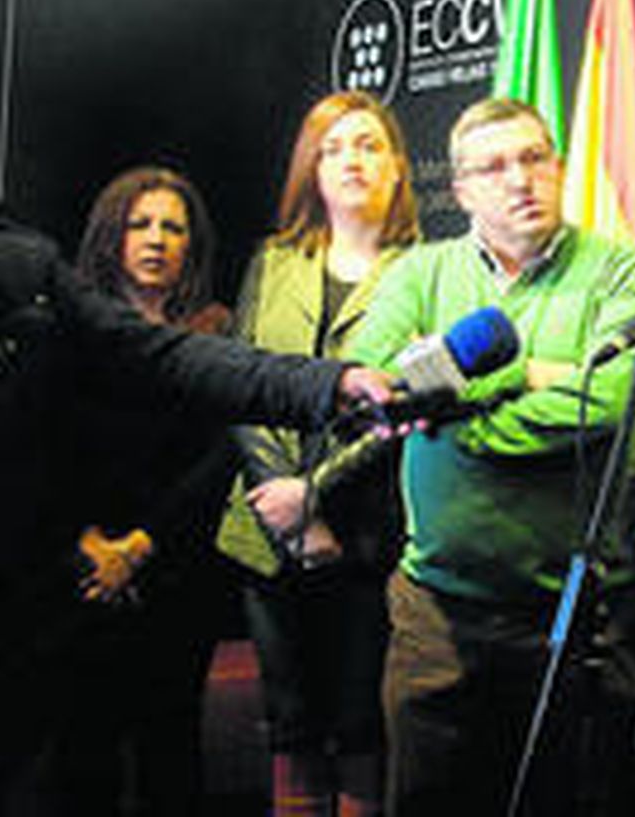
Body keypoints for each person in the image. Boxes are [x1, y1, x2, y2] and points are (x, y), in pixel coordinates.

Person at [0, 208, 393, 809]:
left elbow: (166, 355)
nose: (155, 240)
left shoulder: (23, 264)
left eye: (172, 228)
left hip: (44, 600)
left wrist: (325, 384)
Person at [347, 97, 635, 816]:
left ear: (558, 167)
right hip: (437, 610)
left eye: (533, 158)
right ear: (460, 190)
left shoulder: (626, 274)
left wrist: (457, 415)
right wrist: (525, 373)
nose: (519, 179)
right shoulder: (419, 274)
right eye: (493, 167)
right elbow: (376, 381)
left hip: (579, 615)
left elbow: (608, 400)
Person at [217, 90, 418, 817]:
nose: (350, 159)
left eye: (367, 143)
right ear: (311, 168)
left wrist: (318, 500)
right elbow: (240, 383)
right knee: (290, 725)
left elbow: (399, 411)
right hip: (265, 533)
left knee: (363, 725)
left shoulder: (424, 271)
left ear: (398, 166)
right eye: (332, 146)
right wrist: (283, 500)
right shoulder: (272, 262)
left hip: (368, 537)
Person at [26, 167, 237, 815]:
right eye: (140, 224)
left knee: (171, 758)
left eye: (173, 227)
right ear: (110, 235)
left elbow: (218, 458)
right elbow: (40, 453)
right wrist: (87, 545)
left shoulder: (217, 332)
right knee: (77, 758)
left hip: (175, 577)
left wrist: (141, 547)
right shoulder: (62, 330)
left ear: (192, 245)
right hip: (78, 577)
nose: (156, 239)